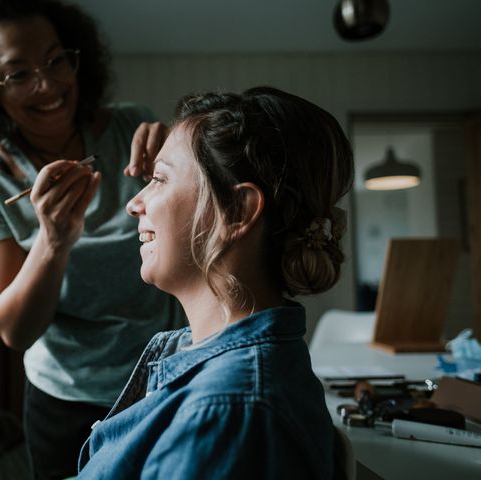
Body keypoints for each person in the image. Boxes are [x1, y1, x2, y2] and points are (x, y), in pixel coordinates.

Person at [0, 0, 183, 478]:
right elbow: (14, 329)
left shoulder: (132, 128)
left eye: (56, 59)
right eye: (18, 74)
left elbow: (192, 247)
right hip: (66, 405)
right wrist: (54, 240)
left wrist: (180, 166)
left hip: (163, 381)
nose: (49, 84)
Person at [77, 86, 355, 479]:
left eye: (158, 178)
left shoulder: (229, 413)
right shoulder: (199, 363)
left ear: (237, 211)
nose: (134, 203)